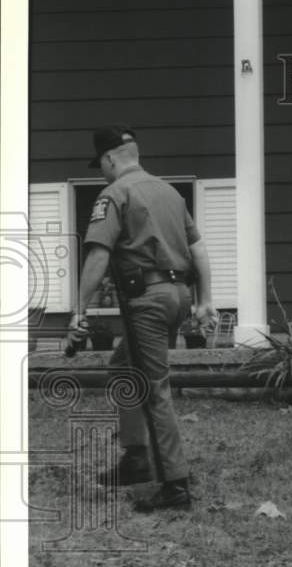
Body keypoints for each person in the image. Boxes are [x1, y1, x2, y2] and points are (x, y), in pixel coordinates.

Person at [66, 125, 217, 511]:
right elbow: (198, 249)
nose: (101, 171)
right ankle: (135, 459)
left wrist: (79, 311)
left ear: (111, 158)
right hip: (178, 294)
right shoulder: (169, 192)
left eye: (101, 164)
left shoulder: (115, 193)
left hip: (147, 299)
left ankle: (176, 485)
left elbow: (98, 255)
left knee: (152, 388)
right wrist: (206, 301)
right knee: (123, 369)